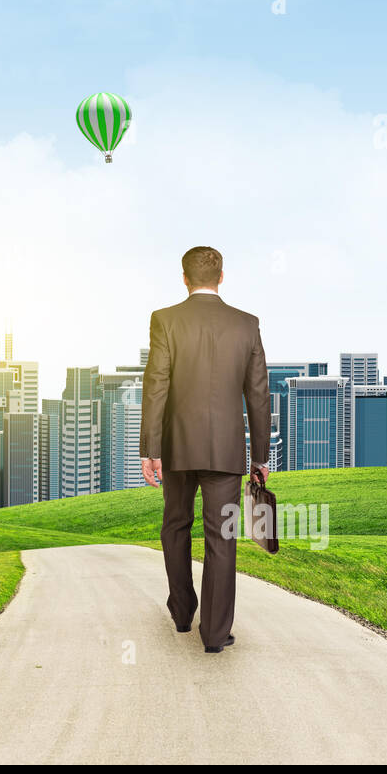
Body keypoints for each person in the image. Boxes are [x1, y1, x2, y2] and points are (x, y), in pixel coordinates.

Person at [139, 246, 270, 654]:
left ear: (184, 278)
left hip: (177, 447)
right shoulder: (247, 324)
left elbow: (156, 383)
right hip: (226, 450)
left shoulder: (165, 320)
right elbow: (258, 395)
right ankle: (214, 633)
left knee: (176, 525)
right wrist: (260, 457)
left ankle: (182, 612)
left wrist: (150, 448)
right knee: (222, 537)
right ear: (222, 277)